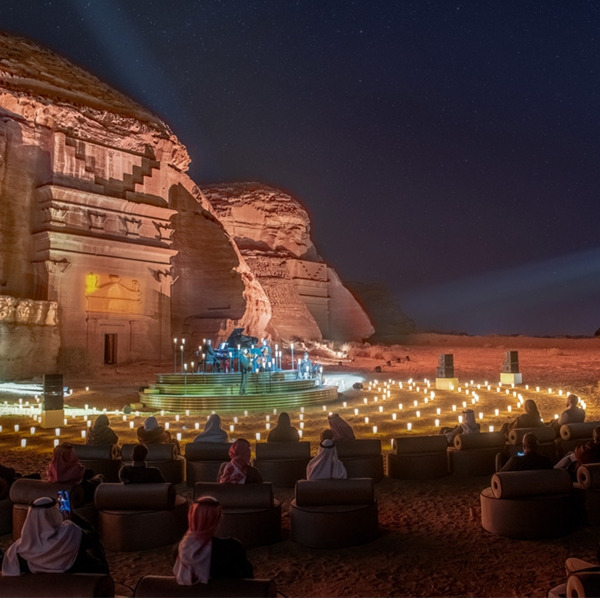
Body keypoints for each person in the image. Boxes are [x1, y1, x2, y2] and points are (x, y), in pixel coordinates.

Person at [2, 496, 108, 576]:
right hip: (85, 582)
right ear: (53, 513)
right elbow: (95, 537)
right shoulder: (70, 533)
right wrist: (72, 517)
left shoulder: (18, 550)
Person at [173, 496, 253, 585]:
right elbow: (248, 580)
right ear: (218, 520)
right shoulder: (232, 548)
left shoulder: (178, 550)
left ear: (191, 518)